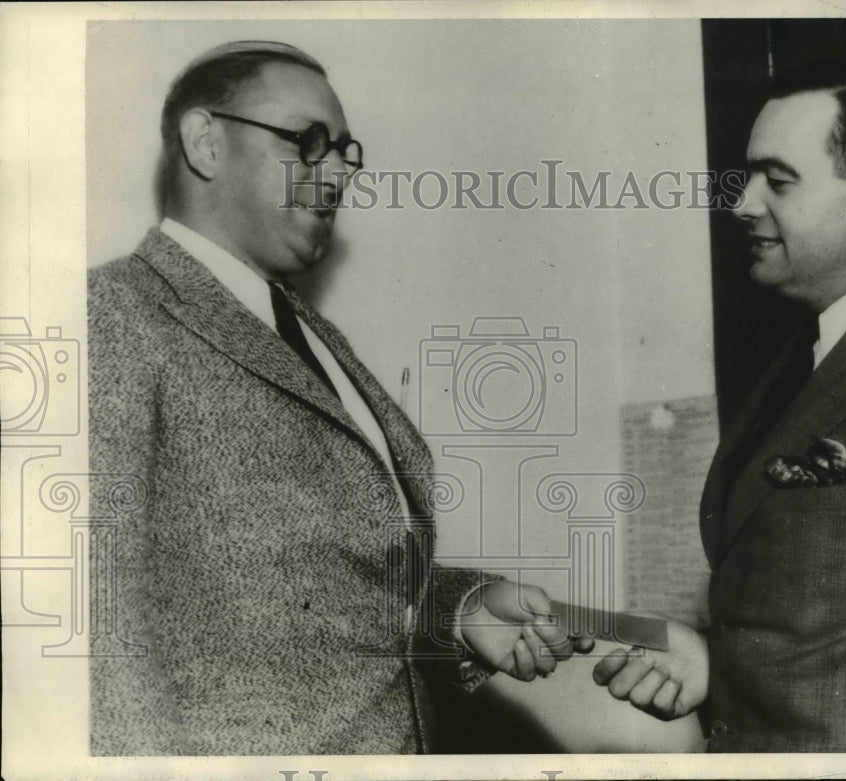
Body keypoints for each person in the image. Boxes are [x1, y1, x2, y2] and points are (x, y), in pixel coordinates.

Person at [87, 40, 586, 756]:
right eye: (308, 142)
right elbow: (98, 630)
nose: (338, 174)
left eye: (345, 150)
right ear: (205, 142)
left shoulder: (317, 338)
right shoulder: (108, 313)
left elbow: (341, 589)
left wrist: (464, 609)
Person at [594, 59, 846, 751]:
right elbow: (841, 625)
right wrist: (712, 656)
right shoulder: (803, 354)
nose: (742, 203)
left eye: (779, 179)